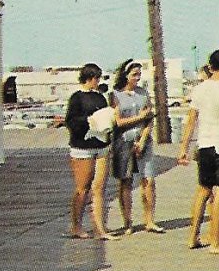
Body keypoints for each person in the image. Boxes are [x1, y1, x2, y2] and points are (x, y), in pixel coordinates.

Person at [176, 49, 219, 254]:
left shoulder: (199, 90)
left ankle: (192, 237)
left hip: (204, 145)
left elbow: (190, 123)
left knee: (203, 191)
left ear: (210, 66)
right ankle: (215, 242)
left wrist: (183, 149)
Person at [64, 63, 116, 239]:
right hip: (82, 147)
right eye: (97, 78)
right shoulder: (77, 98)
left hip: (101, 144)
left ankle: (99, 228)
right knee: (82, 188)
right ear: (90, 78)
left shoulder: (100, 98)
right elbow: (70, 121)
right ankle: (76, 226)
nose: (98, 81)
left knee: (99, 187)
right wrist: (88, 120)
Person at [110, 59, 161, 233]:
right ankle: (128, 222)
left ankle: (149, 220)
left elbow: (150, 118)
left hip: (143, 141)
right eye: (134, 74)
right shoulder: (116, 95)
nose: (137, 78)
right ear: (125, 75)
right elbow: (118, 121)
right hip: (123, 142)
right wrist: (140, 117)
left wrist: (143, 139)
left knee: (149, 180)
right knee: (126, 182)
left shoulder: (143, 93)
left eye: (139, 74)